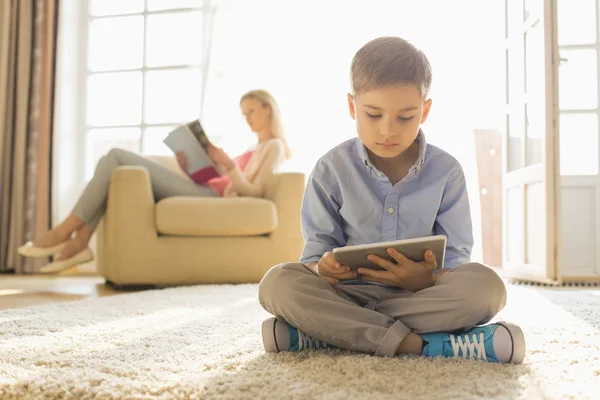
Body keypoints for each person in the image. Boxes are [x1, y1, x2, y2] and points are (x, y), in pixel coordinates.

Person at [258, 37, 525, 363]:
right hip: (347, 294)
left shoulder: (447, 172)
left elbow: (457, 258)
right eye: (373, 115)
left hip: (420, 295)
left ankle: (329, 334)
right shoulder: (331, 168)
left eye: (405, 117)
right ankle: (424, 345)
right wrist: (324, 269)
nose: (388, 131)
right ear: (352, 107)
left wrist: (428, 278)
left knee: (488, 287)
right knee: (277, 282)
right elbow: (314, 257)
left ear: (424, 111)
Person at [19, 89, 291, 273]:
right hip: (205, 187)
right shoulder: (254, 147)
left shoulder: (274, 147)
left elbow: (254, 191)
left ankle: (65, 232)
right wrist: (197, 166)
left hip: (212, 198)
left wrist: (229, 165)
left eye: (251, 111)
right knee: (111, 166)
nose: (247, 119)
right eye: (244, 114)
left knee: (115, 156)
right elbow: (226, 179)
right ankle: (80, 240)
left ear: (269, 110)